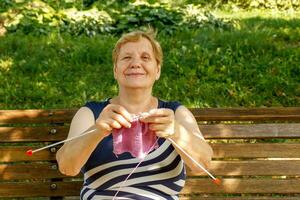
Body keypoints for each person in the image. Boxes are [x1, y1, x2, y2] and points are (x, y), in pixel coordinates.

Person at [56, 29, 213, 200]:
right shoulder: (91, 113)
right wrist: (97, 131)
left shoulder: (175, 113)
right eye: (126, 58)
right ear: (115, 70)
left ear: (158, 70)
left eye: (145, 57)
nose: (135, 63)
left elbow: (203, 164)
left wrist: (176, 131)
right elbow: (67, 167)